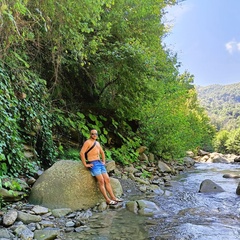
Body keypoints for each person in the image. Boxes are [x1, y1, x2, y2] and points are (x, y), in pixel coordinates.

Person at [80, 129, 123, 205]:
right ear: (90, 134)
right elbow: (82, 153)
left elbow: (102, 152)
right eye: (93, 134)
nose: (94, 135)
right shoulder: (87, 142)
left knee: (107, 180)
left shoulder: (97, 143)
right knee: (101, 181)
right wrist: (85, 164)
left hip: (99, 163)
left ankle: (113, 197)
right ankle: (107, 200)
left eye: (96, 134)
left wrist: (103, 161)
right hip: (93, 163)